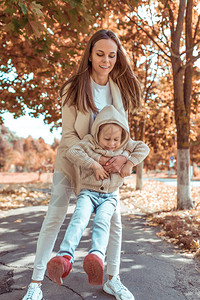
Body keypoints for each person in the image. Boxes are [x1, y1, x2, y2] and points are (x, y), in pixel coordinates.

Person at [22, 29, 143, 300]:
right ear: (89, 55)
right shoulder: (73, 87)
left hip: (108, 169)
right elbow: (68, 136)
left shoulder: (119, 90)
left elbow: (122, 133)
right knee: (54, 216)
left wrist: (124, 157)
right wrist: (96, 158)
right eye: (100, 54)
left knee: (114, 222)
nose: (106, 60)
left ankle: (113, 279)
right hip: (72, 161)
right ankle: (36, 283)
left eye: (112, 55)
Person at [46, 105, 149, 290]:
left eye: (116, 139)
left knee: (102, 223)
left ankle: (96, 257)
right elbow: (73, 152)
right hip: (88, 192)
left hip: (109, 197)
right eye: (107, 139)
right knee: (79, 219)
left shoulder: (126, 145)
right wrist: (94, 164)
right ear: (97, 133)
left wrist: (129, 161)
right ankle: (65, 257)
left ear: (122, 136)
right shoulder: (90, 142)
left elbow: (143, 148)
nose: (111, 144)